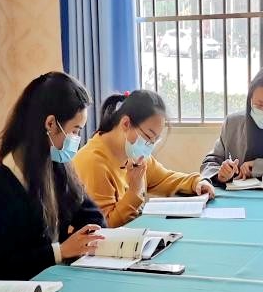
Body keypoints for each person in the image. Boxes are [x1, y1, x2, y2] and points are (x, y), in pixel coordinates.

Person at [0, 71, 105, 281]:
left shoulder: (56, 165)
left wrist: (88, 235)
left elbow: (90, 213)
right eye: (75, 130)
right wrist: (61, 251)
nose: (77, 138)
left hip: (49, 281)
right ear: (50, 124)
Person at [72, 89, 216, 227]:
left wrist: (197, 182)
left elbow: (164, 179)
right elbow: (105, 226)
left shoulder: (135, 155)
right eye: (148, 137)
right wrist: (134, 191)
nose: (149, 146)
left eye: (155, 140)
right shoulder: (93, 162)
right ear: (126, 124)